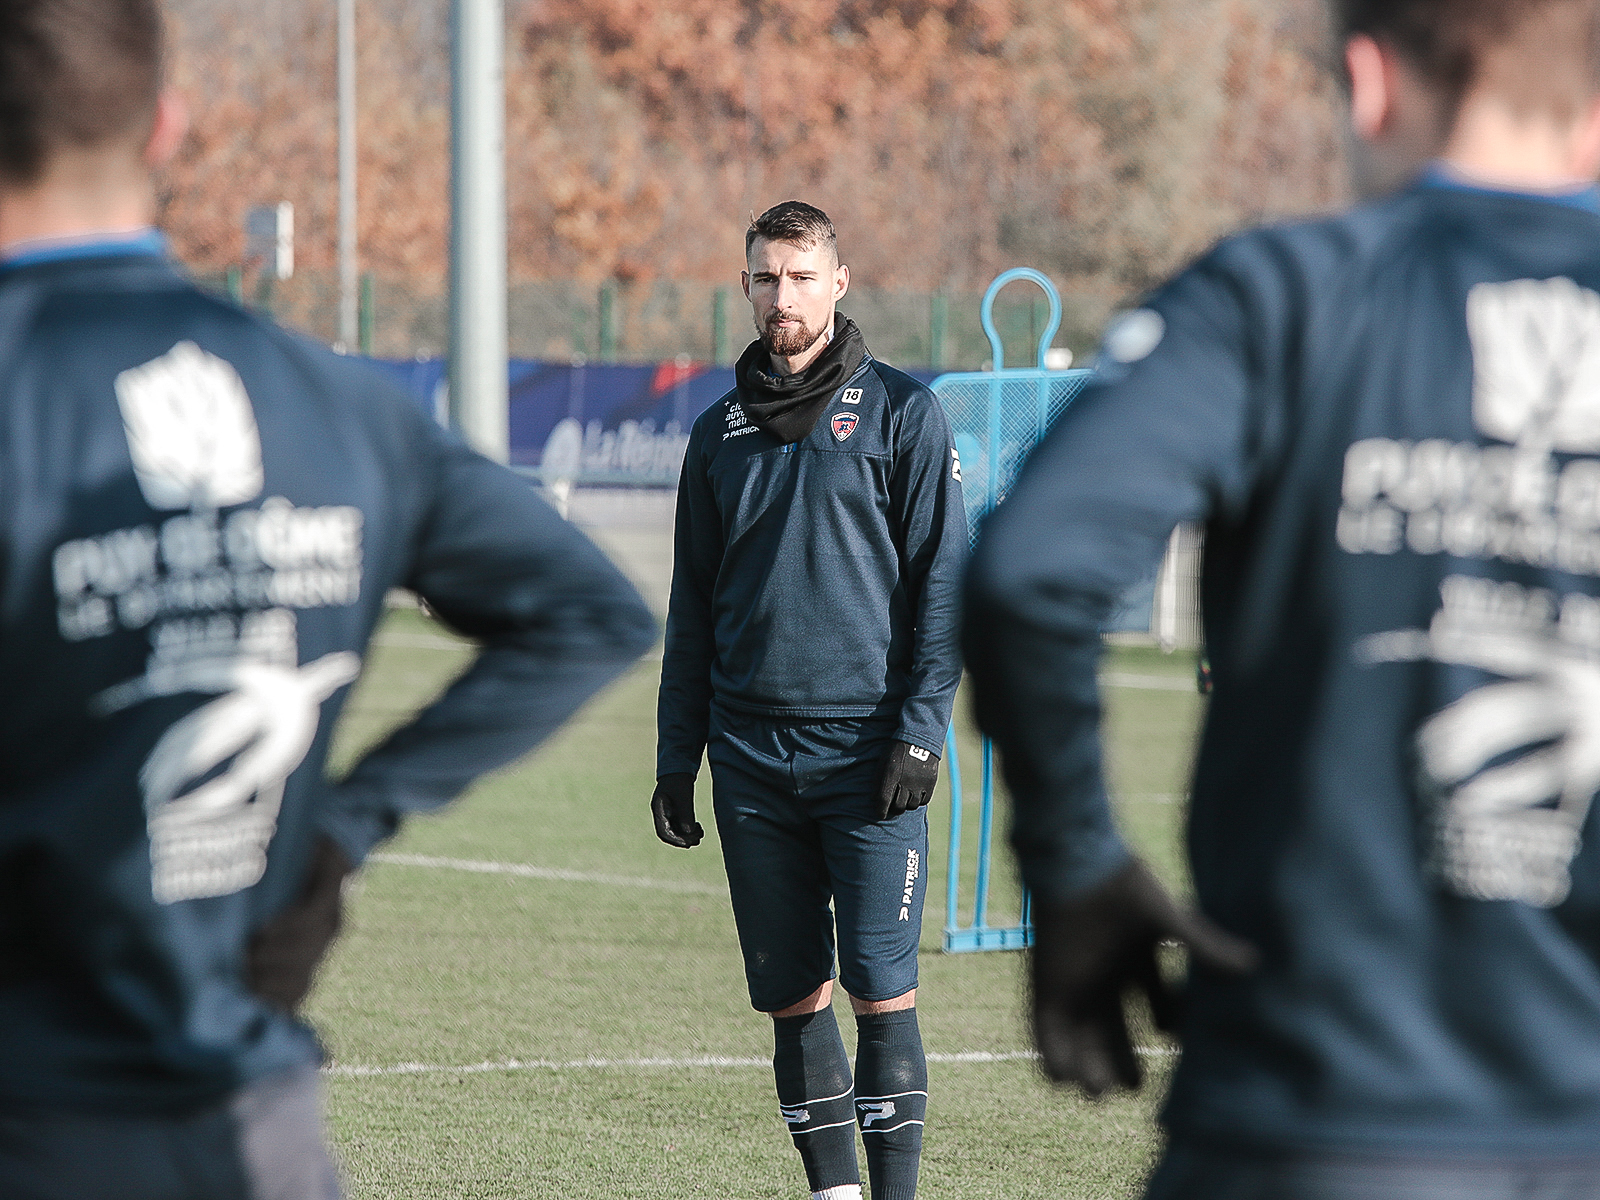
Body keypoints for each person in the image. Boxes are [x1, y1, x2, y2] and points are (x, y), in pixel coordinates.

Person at [0, 2, 658, 1197]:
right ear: (166, 127)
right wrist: (344, 828)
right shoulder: (330, 396)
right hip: (262, 1131)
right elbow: (592, 612)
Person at [964, 0, 1600, 1196]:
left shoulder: (1280, 294)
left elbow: (1033, 573)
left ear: (1366, 83)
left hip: (1307, 1122)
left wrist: (1074, 860)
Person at [653, 201, 965, 1200]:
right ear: (743, 286)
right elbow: (691, 612)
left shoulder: (904, 416)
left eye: (798, 275)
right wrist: (676, 754)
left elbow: (942, 592)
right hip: (749, 760)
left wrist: (919, 734)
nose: (780, 295)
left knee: (882, 989)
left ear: (838, 282)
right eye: (763, 277)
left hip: (869, 755)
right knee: (793, 998)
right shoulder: (716, 438)